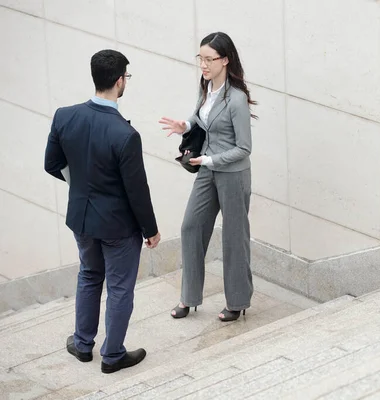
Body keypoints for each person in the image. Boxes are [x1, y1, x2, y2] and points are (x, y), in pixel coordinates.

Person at [44, 49, 161, 374]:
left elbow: (51, 164)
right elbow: (137, 191)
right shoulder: (125, 135)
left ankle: (83, 345)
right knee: (120, 287)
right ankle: (112, 356)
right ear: (120, 80)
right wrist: (150, 229)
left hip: (81, 218)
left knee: (89, 276)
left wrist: (81, 184)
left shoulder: (64, 116)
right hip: (117, 226)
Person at [159, 32, 256, 322]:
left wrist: (211, 159)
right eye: (200, 58)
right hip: (206, 171)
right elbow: (202, 117)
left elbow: (244, 148)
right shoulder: (206, 89)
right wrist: (185, 123)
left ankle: (237, 302)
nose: (203, 64)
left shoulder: (236, 99)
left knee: (234, 238)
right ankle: (189, 298)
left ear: (225, 60)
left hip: (232, 175)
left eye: (209, 59)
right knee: (191, 227)